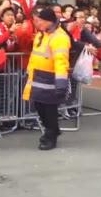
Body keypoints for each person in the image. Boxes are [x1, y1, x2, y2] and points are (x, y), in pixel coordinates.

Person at [23, 8, 70, 150]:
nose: (37, 24)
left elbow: (61, 61)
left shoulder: (59, 37)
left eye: (39, 21)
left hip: (50, 79)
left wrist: (61, 83)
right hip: (38, 77)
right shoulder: (41, 34)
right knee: (40, 107)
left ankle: (50, 137)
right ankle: (52, 130)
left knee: (49, 110)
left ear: (48, 21)